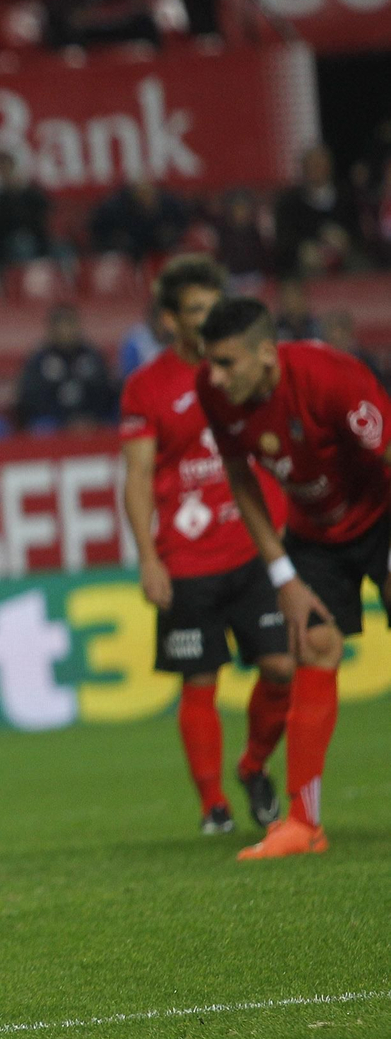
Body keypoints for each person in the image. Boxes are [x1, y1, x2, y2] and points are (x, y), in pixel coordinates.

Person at [196, 297, 391, 859]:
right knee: (315, 647)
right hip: (315, 536)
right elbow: (240, 476)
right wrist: (283, 574)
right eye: (211, 363)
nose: (213, 376)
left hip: (381, 517)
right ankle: (304, 825)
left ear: (265, 353)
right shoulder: (216, 393)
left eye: (226, 363)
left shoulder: (333, 379)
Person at [119, 257, 293, 835]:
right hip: (188, 559)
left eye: (214, 306)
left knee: (281, 668)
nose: (208, 318)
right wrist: (148, 556)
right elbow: (139, 477)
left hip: (251, 548)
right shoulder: (147, 387)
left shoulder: (246, 370)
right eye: (195, 310)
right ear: (169, 320)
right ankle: (213, 805)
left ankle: (253, 766)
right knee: (200, 680)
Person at [14, 304, 117, 431]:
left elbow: (105, 391)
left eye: (70, 325)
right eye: (61, 326)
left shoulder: (92, 356)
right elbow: (31, 399)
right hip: (53, 421)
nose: (66, 331)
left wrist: (89, 417)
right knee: (41, 428)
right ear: (51, 330)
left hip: (91, 419)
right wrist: (65, 421)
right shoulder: (38, 360)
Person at [274, 145, 362, 278]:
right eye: (312, 165)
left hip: (346, 257)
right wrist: (303, 249)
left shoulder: (347, 196)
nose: (317, 170)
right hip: (309, 262)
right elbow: (284, 239)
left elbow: (361, 230)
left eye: (321, 165)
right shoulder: (289, 203)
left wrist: (345, 239)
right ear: (304, 169)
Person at [0, 150, 52, 273]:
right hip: (5, 246)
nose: (6, 172)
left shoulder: (30, 191)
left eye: (8, 167)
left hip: (37, 240)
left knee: (63, 251)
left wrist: (21, 191)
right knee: (20, 245)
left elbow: (45, 210)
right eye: (2, 169)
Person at [89, 177, 189, 261]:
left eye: (150, 194)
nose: (147, 199)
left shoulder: (169, 204)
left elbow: (183, 222)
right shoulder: (113, 208)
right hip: (123, 250)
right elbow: (96, 230)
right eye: (142, 194)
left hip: (159, 246)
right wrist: (114, 240)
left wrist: (173, 234)